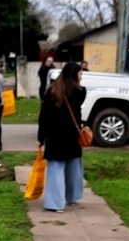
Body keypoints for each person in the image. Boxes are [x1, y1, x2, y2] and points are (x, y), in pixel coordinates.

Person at [38, 62, 87, 213]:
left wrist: (41, 138)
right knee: (74, 169)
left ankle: (55, 203)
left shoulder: (51, 91)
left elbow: (44, 117)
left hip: (54, 137)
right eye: (80, 74)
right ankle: (72, 197)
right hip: (72, 136)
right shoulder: (80, 92)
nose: (82, 76)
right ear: (74, 75)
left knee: (55, 170)